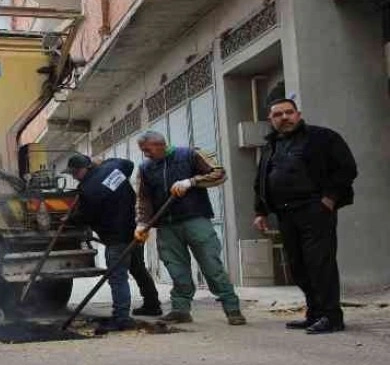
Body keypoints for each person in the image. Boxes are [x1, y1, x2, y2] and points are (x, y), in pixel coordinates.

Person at [253, 98, 357, 334]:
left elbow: (347, 168)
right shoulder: (271, 146)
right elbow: (260, 180)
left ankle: (332, 317)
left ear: (298, 114)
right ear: (271, 120)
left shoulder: (322, 138)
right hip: (286, 214)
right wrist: (260, 210)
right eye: (278, 115)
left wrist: (329, 199)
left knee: (320, 264)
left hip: (315, 210)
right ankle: (315, 313)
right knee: (298, 266)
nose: (284, 117)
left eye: (289, 112)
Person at [134, 131, 246, 326]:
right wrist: (142, 223)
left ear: (160, 144)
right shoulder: (145, 168)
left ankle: (232, 309)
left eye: (147, 150)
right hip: (167, 226)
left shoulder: (190, 155)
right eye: (143, 151)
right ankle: (180, 310)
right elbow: (144, 198)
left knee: (212, 267)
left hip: (195, 220)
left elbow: (219, 173)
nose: (146, 155)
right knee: (176, 269)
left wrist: (192, 182)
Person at [63, 154, 161, 334]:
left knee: (117, 277)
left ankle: (121, 317)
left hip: (116, 237)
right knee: (138, 267)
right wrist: (104, 163)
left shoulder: (88, 190)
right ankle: (152, 304)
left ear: (84, 169)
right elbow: (129, 163)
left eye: (75, 172)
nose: (74, 176)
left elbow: (85, 218)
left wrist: (68, 219)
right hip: (135, 230)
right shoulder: (114, 167)